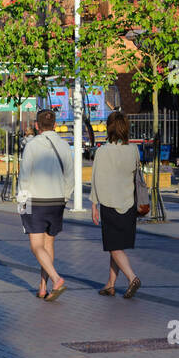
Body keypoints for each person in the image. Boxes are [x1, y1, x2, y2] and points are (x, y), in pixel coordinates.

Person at [19, 109, 76, 301]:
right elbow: (70, 176)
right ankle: (43, 287)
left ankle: (56, 278)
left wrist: (22, 205)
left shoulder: (32, 145)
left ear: (36, 126)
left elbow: (25, 177)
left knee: (36, 246)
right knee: (48, 244)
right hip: (57, 200)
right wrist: (65, 197)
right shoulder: (64, 145)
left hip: (35, 200)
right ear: (55, 125)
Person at [90, 111, 143, 298]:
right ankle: (110, 284)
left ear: (109, 128)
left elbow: (95, 179)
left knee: (113, 246)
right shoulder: (133, 150)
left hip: (109, 202)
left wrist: (94, 205)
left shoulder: (102, 151)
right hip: (129, 203)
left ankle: (132, 277)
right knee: (118, 245)